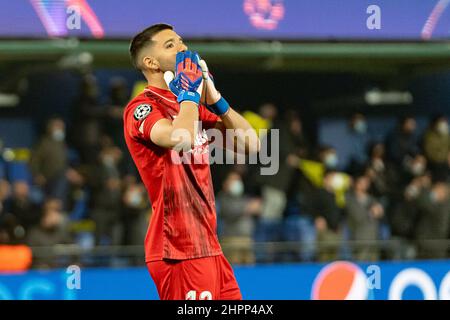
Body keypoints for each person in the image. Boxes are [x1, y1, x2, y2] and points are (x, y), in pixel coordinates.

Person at [124, 24, 259, 300]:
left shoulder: (192, 108)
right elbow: (181, 137)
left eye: (181, 42)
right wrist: (189, 94)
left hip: (209, 246)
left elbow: (252, 145)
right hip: (178, 248)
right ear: (150, 63)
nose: (184, 49)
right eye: (170, 45)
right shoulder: (142, 108)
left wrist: (216, 99)